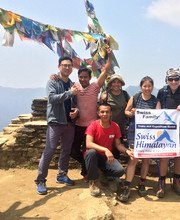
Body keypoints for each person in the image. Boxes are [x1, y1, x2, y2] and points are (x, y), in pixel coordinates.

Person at [50, 49, 113, 180]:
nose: (83, 79)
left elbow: (105, 71)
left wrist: (109, 57)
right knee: (73, 150)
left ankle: (87, 173)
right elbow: (62, 81)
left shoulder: (95, 87)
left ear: (90, 78)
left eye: (85, 77)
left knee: (89, 151)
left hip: (91, 127)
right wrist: (54, 76)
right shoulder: (75, 87)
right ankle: (87, 167)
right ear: (78, 77)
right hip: (78, 125)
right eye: (81, 77)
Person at [35, 56, 79, 195]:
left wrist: (76, 111)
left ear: (72, 68)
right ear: (59, 66)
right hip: (55, 121)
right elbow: (52, 99)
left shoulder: (73, 84)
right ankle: (41, 180)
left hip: (69, 122)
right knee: (49, 150)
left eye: (69, 65)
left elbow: (75, 102)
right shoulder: (52, 81)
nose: (67, 67)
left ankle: (62, 175)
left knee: (66, 150)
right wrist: (69, 93)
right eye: (64, 65)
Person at [117, 76, 158, 203]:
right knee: (134, 157)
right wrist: (131, 112)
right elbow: (126, 111)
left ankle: (142, 183)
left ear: (152, 87)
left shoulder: (155, 100)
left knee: (146, 159)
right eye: (145, 86)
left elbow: (158, 116)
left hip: (148, 133)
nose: (147, 88)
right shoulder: (135, 97)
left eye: (149, 86)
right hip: (134, 131)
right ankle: (127, 185)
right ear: (141, 87)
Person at [85, 102, 134, 197]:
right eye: (102, 112)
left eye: (107, 112)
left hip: (107, 158)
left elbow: (118, 144)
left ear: (111, 113)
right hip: (94, 156)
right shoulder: (93, 125)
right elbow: (88, 143)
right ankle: (93, 182)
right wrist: (105, 150)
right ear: (98, 113)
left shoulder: (115, 126)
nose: (105, 114)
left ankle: (105, 175)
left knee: (120, 171)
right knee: (91, 153)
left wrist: (127, 151)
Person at [156, 68, 180, 198]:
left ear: (179, 79)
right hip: (166, 129)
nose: (174, 81)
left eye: (176, 79)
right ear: (167, 80)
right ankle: (161, 183)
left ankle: (176, 181)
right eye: (171, 79)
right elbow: (158, 106)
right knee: (164, 156)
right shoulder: (162, 91)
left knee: (179, 155)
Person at [99, 74, 130, 159]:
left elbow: (130, 107)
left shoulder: (125, 94)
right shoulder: (105, 94)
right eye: (114, 82)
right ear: (110, 83)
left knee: (117, 149)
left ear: (121, 84)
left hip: (120, 126)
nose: (116, 84)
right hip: (107, 126)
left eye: (118, 82)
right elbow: (99, 109)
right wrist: (102, 100)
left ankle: (114, 170)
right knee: (105, 147)